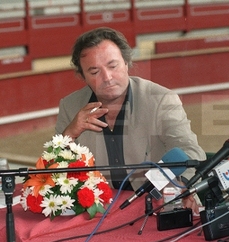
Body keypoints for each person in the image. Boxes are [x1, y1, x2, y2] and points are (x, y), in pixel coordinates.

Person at [55, 27, 206, 213]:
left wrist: (177, 184)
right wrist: (69, 134)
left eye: (113, 66)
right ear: (83, 76)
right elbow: (53, 170)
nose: (107, 78)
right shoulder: (70, 106)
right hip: (96, 212)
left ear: (126, 63)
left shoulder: (161, 99)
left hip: (153, 207)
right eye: (94, 72)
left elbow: (188, 150)